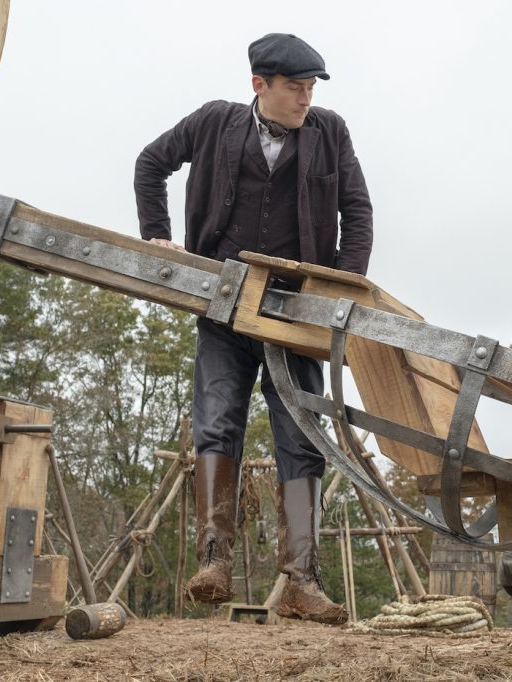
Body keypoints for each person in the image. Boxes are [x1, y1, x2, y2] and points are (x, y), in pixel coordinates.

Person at [134, 33, 373, 625]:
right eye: (296, 87)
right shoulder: (214, 123)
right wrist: (156, 237)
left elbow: (358, 211)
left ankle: (300, 578)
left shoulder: (330, 132)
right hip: (223, 304)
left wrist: (337, 289)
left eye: (312, 87)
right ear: (258, 85)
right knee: (216, 422)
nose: (306, 98)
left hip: (295, 313)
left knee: (300, 438)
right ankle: (214, 559)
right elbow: (150, 164)